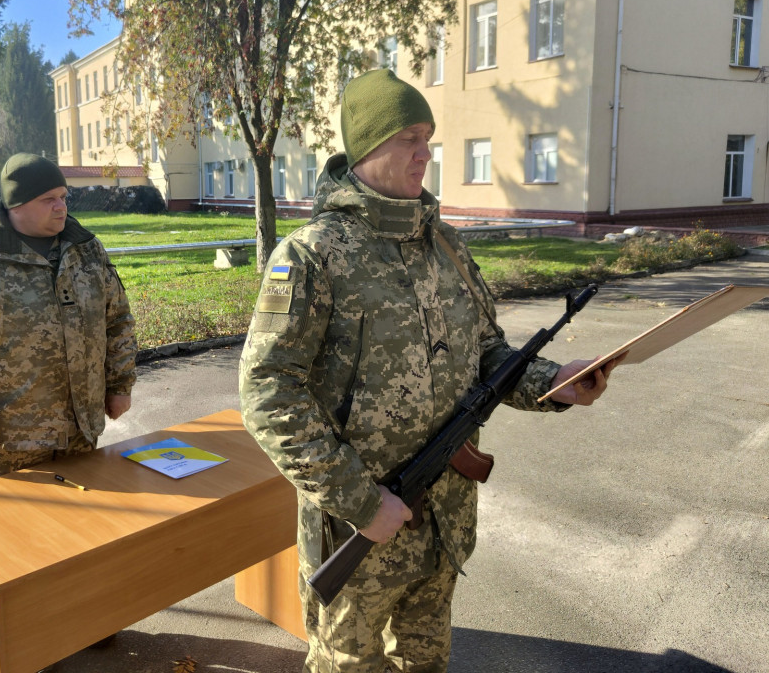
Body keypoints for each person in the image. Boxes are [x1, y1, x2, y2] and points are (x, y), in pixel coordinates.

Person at [239, 69, 616, 672]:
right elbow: (268, 392)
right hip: (362, 532)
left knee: (426, 663)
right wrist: (361, 501)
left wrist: (553, 383)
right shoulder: (312, 255)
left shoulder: (446, 246)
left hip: (443, 522)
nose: (425, 153)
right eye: (409, 138)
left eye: (429, 138)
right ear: (367, 146)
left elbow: (488, 353)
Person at [0, 152, 137, 480]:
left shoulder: (86, 249)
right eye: (48, 199)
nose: (61, 206)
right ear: (15, 205)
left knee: (86, 525)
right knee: (15, 527)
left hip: (81, 430)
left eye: (63, 197)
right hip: (12, 441)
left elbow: (117, 318)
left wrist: (119, 384)